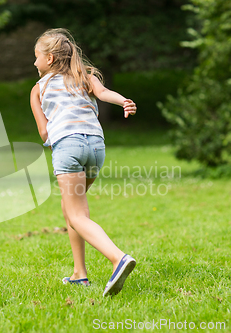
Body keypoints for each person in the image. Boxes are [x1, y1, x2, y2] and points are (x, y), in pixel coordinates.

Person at [30, 28, 137, 297]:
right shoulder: (83, 76)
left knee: (76, 214)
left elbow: (44, 133)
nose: (34, 63)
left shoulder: (38, 89)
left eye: (36, 57)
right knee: (72, 210)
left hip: (69, 147)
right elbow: (103, 94)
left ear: (50, 59)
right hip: (96, 147)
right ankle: (79, 274)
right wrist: (123, 100)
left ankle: (118, 259)